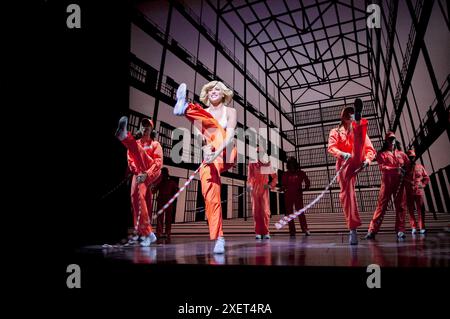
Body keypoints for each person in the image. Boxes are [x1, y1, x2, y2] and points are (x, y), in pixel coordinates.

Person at [173, 81, 237, 254]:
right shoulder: (203, 114)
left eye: (217, 89)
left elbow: (229, 137)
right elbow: (201, 138)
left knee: (212, 125)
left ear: (224, 93)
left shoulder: (230, 112)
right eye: (210, 90)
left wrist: (216, 153)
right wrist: (207, 150)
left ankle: (186, 107)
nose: (213, 92)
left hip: (227, 151)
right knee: (210, 194)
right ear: (206, 95)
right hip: (210, 154)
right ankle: (219, 238)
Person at [327, 98, 376, 245]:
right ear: (342, 117)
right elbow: (331, 147)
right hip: (344, 164)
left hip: (358, 159)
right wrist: (342, 154)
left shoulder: (358, 131)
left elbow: (369, 149)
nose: (350, 114)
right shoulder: (335, 131)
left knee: (359, 137)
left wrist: (368, 160)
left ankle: (360, 121)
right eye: (348, 112)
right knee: (347, 194)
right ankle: (353, 229)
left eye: (353, 112)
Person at [115, 117, 163, 246]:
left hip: (151, 171)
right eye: (143, 125)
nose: (145, 128)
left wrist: (147, 174)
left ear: (151, 129)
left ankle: (124, 136)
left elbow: (158, 163)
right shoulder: (136, 144)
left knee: (138, 150)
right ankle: (146, 233)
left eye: (148, 126)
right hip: (139, 174)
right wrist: (138, 172)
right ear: (140, 128)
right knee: (137, 199)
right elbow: (130, 162)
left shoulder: (155, 144)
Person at [365, 132, 409, 240]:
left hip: (399, 183)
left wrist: (405, 171)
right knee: (381, 207)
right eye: (390, 139)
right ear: (386, 140)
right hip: (387, 182)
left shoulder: (402, 154)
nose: (392, 140)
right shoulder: (381, 154)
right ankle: (372, 231)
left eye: (393, 138)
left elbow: (408, 166)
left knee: (401, 207)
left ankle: (400, 230)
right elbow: (382, 167)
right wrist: (396, 169)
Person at [247, 147, 278, 239]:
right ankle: (258, 232)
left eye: (261, 152)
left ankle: (266, 232)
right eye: (257, 152)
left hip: (264, 189)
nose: (259, 154)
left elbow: (275, 177)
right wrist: (249, 187)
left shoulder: (267, 164)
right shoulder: (252, 165)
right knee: (256, 211)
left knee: (265, 211)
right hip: (254, 189)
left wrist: (270, 185)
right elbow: (249, 177)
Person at [281, 157, 311, 236]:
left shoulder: (301, 173)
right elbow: (284, 185)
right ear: (288, 165)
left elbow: (307, 181)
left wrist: (306, 188)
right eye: (290, 163)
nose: (291, 165)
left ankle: (304, 229)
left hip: (297, 194)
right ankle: (292, 231)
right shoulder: (285, 174)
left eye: (293, 163)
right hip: (288, 195)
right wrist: (282, 188)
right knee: (289, 213)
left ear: (295, 164)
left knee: (300, 212)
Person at [404, 149, 430, 235]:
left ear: (415, 157)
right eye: (410, 157)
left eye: (413, 157)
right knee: (410, 210)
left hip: (418, 191)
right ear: (407, 158)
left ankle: (422, 227)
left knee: (420, 210)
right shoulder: (404, 168)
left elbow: (426, 177)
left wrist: (422, 185)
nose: (412, 159)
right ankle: (414, 227)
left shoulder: (420, 167)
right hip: (409, 192)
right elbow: (400, 178)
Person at [152, 167, 179, 240]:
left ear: (166, 174)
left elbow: (177, 191)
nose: (162, 175)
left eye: (163, 173)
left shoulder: (171, 182)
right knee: (160, 218)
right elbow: (153, 191)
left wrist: (173, 198)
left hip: (168, 202)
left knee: (168, 218)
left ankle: (167, 233)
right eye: (162, 173)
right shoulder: (160, 182)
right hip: (161, 201)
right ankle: (160, 233)